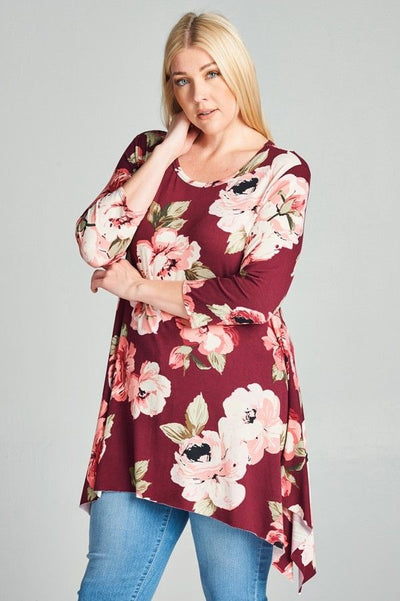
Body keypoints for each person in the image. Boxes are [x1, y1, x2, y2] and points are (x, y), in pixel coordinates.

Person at [75, 11, 316, 601]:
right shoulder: (148, 152)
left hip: (237, 418)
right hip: (140, 404)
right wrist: (165, 155)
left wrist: (139, 288)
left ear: (238, 72)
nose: (199, 94)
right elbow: (96, 244)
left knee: (232, 595)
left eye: (211, 74)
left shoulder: (282, 173)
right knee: (106, 591)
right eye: (181, 80)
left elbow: (257, 295)